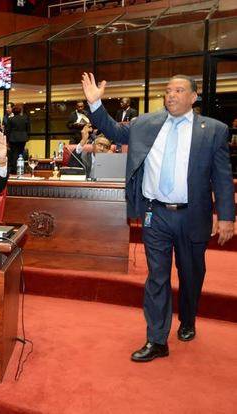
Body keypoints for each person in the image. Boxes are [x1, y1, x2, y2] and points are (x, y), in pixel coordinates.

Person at [81, 72, 235, 362]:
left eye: (179, 91)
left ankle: (188, 318)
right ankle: (157, 340)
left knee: (191, 275)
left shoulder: (213, 130)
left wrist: (226, 215)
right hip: (156, 215)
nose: (171, 95)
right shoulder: (145, 124)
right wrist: (96, 105)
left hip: (192, 215)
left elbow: (223, 177)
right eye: (168, 91)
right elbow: (114, 131)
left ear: (193, 97)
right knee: (157, 277)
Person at [5, 105, 31, 174]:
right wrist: (27, 137)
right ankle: (21, 169)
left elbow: (8, 131)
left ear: (13, 111)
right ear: (20, 111)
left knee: (14, 154)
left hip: (13, 139)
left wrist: (7, 141)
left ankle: (14, 170)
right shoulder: (25, 118)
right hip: (23, 139)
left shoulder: (10, 119)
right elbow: (28, 129)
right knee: (21, 153)